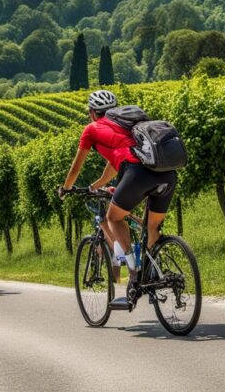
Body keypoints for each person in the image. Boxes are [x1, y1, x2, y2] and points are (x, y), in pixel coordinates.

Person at [58, 90, 177, 306]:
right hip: (167, 174)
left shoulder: (92, 130)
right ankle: (153, 275)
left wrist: (66, 189)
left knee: (113, 218)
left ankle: (133, 273)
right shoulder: (127, 126)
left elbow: (76, 167)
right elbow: (114, 165)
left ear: (93, 113)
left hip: (136, 174)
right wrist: (96, 186)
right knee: (152, 228)